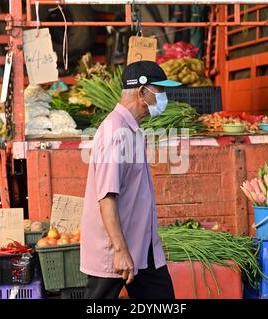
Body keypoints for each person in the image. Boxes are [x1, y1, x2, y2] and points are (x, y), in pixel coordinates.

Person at [80, 61, 181, 299]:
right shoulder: (114, 131)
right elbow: (106, 197)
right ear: (142, 91)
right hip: (116, 249)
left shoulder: (131, 129)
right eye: (160, 90)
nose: (163, 96)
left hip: (141, 245)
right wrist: (120, 249)